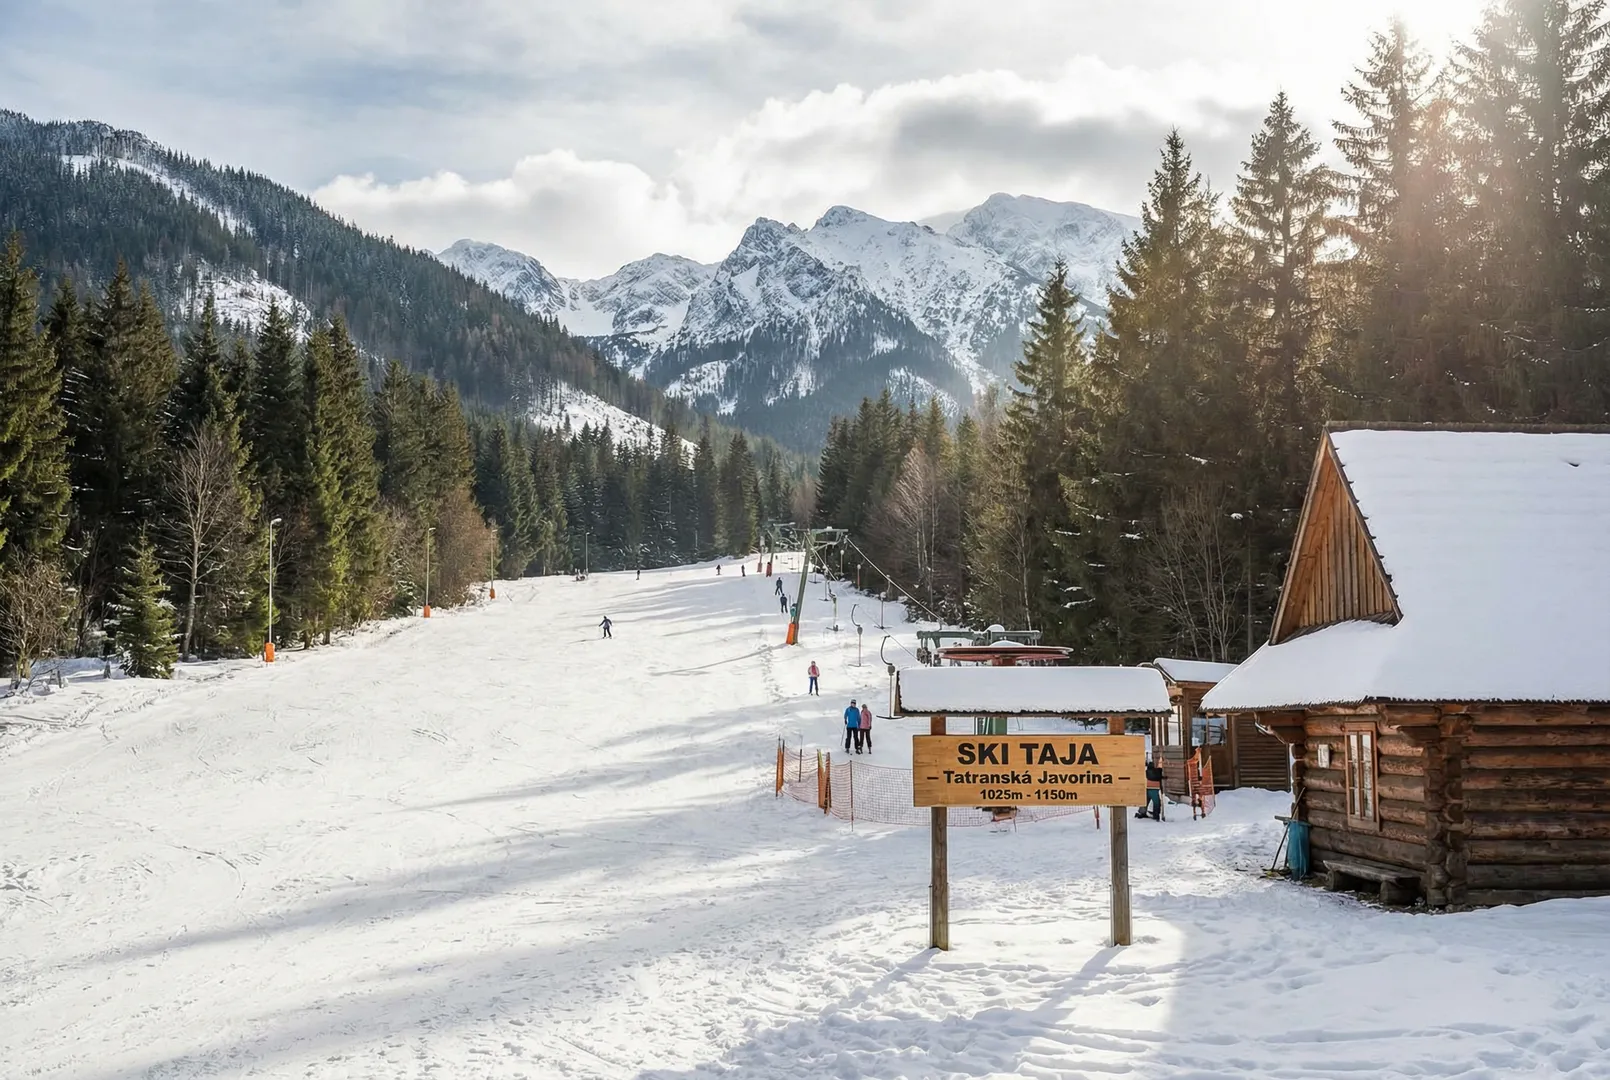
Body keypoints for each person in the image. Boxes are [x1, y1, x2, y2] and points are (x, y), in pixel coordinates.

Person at [1139, 754, 1164, 820]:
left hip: (1147, 788)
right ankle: (1156, 815)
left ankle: (1141, 812)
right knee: (1156, 803)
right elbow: (1160, 766)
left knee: (1145, 801)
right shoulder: (1158, 771)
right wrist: (1161, 758)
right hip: (1155, 789)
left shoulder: (1146, 772)